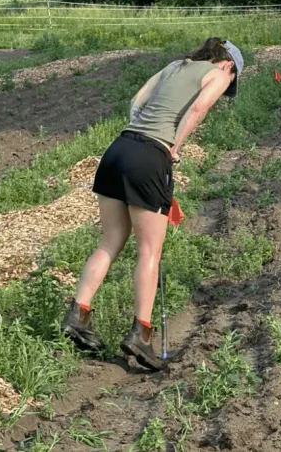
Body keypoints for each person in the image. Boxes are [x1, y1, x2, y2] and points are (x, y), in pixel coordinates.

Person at [63, 37, 238, 371]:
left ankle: (78, 315)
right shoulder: (220, 74)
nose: (227, 86)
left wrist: (140, 135)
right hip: (150, 156)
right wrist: (172, 149)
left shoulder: (175, 65)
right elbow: (199, 108)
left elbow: (137, 100)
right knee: (149, 252)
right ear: (228, 64)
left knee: (110, 240)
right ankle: (140, 336)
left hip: (119, 148)